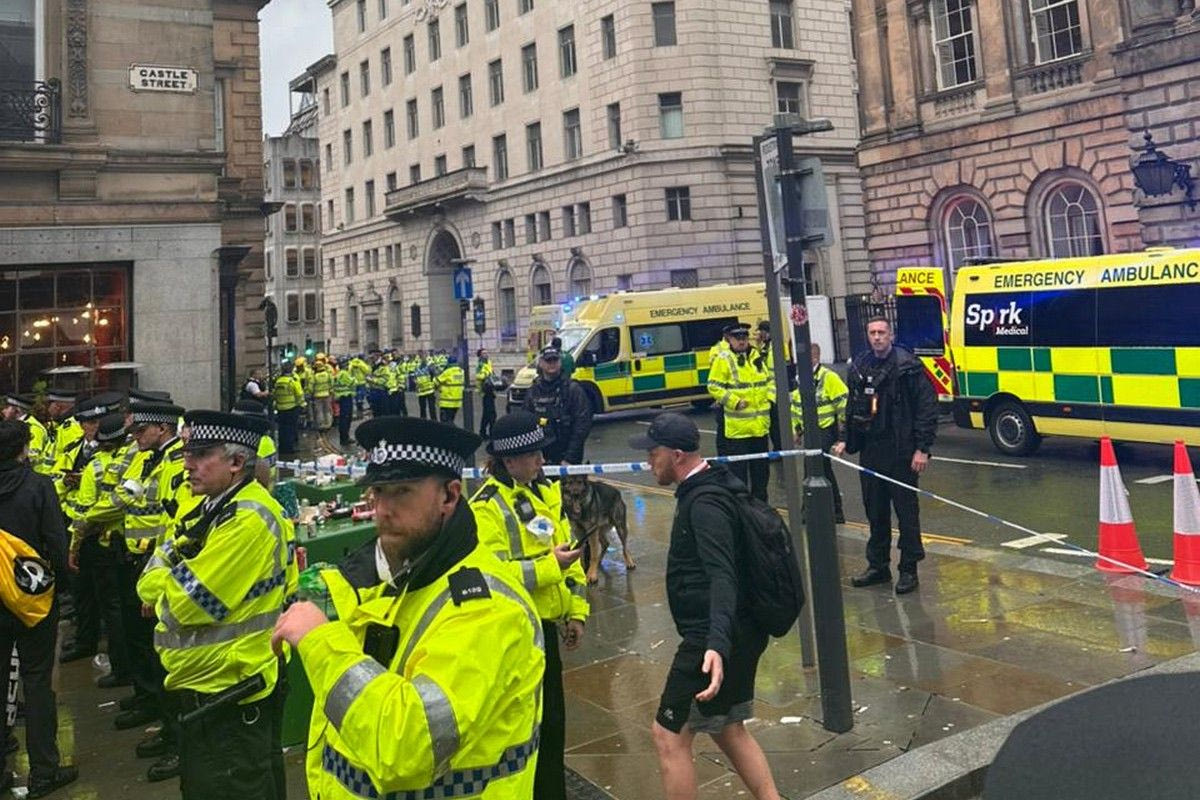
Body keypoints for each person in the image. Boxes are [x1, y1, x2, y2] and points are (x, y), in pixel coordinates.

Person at [272, 416, 545, 800]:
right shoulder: (405, 572)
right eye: (378, 492)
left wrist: (320, 642)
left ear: (449, 496)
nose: (383, 510)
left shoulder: (489, 610)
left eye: (402, 492)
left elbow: (407, 747)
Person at [137, 410, 297, 800]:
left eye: (200, 454)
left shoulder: (247, 521)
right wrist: (163, 577)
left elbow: (185, 604)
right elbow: (159, 564)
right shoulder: (217, 509)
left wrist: (163, 580)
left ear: (237, 462)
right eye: (187, 453)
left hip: (230, 691)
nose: (187, 464)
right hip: (218, 687)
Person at [629, 413, 779, 800]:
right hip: (740, 628)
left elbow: (722, 574)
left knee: (668, 735)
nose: (648, 461)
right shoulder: (716, 484)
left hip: (711, 637)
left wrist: (715, 643)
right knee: (727, 726)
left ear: (677, 455)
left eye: (653, 453)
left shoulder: (704, 504)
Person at [471, 411, 588, 800]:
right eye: (533, 454)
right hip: (517, 637)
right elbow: (490, 577)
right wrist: (550, 566)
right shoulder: (486, 507)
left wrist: (577, 612)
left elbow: (570, 555)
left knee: (553, 729)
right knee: (527, 735)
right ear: (508, 461)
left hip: (547, 631)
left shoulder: (544, 491)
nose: (542, 460)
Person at [0, 419, 79, 798]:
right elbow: (56, 541)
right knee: (37, 682)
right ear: (23, 449)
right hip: (33, 598)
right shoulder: (38, 486)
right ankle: (44, 772)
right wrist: (62, 587)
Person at [844, 316, 938, 595]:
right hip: (872, 450)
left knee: (906, 514)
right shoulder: (861, 365)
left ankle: (909, 569)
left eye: (881, 332)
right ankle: (878, 566)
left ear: (891, 335)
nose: (877, 337)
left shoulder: (908, 366)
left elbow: (926, 408)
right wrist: (847, 439)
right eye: (872, 332)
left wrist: (922, 448)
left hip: (902, 451)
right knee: (875, 511)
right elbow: (853, 406)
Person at [706, 323, 773, 501]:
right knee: (738, 477)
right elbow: (713, 386)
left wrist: (770, 398)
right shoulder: (724, 359)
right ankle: (742, 508)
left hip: (759, 428)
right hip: (738, 430)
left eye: (744, 337)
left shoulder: (756, 356)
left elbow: (769, 381)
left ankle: (760, 508)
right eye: (738, 338)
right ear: (730, 340)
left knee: (761, 475)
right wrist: (734, 402)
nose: (742, 341)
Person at [790, 342, 848, 523]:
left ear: (815, 358)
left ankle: (812, 511)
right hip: (810, 430)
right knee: (820, 469)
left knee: (815, 466)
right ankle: (832, 511)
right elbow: (796, 407)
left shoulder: (828, 377)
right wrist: (797, 430)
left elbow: (844, 405)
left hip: (825, 429)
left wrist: (843, 435)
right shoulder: (800, 379)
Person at [522, 347, 592, 465]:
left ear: (560, 362)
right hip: (541, 458)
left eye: (555, 360)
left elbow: (582, 425)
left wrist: (570, 458)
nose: (552, 363)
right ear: (541, 363)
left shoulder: (573, 389)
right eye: (548, 360)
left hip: (567, 456)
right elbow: (525, 424)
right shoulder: (533, 391)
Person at [2, 394, 50, 474]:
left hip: (32, 475)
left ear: (17, 410)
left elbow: (33, 456)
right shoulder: (15, 426)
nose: (3, 411)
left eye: (6, 408)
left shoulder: (33, 428)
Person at [273, 362, 303, 457]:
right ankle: (289, 448)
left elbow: (275, 394)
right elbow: (299, 394)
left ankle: (282, 447)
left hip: (280, 408)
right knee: (290, 429)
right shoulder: (292, 381)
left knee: (282, 429)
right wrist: (301, 405)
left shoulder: (278, 381)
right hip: (291, 408)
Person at [435, 356, 465, 425]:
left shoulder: (448, 372)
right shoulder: (461, 371)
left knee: (445, 422)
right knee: (451, 419)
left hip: (447, 401)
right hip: (457, 401)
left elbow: (436, 382)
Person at [333, 360, 357, 446]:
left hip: (341, 397)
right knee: (346, 418)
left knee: (344, 418)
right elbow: (353, 382)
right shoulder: (344, 374)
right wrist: (354, 377)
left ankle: (344, 437)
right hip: (345, 397)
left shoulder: (339, 374)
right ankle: (344, 438)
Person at [476, 348, 498, 438]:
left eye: (486, 353)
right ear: (480, 355)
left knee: (486, 414)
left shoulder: (489, 363)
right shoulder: (480, 364)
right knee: (491, 414)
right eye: (484, 353)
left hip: (490, 390)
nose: (486, 355)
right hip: (485, 391)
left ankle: (483, 432)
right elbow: (478, 376)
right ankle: (492, 433)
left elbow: (492, 373)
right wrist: (486, 376)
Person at [311, 358, 334, 431]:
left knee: (319, 411)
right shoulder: (328, 374)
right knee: (327, 410)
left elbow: (311, 386)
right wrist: (331, 391)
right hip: (327, 395)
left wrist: (311, 393)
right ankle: (328, 424)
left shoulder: (314, 376)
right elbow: (332, 383)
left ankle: (321, 424)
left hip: (317, 396)